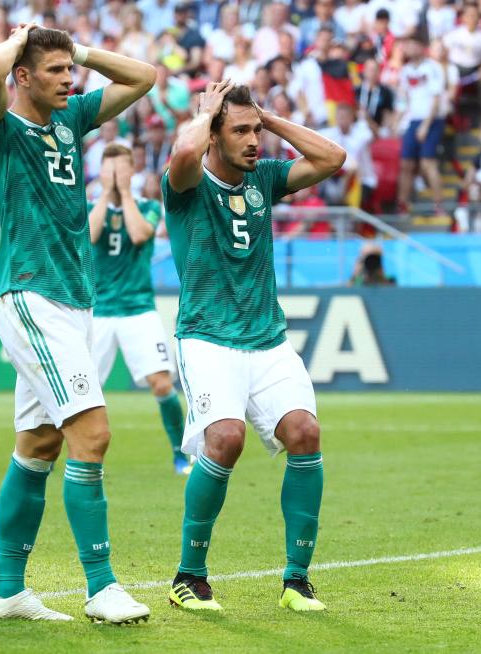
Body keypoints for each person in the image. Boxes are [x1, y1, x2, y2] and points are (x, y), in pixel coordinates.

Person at [0, 24, 155, 623]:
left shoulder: (70, 118)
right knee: (92, 434)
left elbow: (144, 78)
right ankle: (101, 587)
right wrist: (21, 35)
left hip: (75, 302)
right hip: (31, 295)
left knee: (39, 445)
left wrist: (79, 50)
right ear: (22, 76)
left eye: (69, 71)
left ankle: (6, 589)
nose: (70, 80)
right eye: (55, 71)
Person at [162, 81, 345, 613]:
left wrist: (269, 118)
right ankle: (189, 576)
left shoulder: (264, 176)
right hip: (207, 337)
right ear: (213, 136)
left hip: (267, 338)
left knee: (305, 433)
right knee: (225, 439)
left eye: (256, 130)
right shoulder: (188, 183)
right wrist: (203, 115)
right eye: (240, 130)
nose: (253, 140)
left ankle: (297, 580)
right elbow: (182, 154)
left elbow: (332, 157)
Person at [88, 144, 187, 475]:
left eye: (121, 170)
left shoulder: (147, 206)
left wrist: (125, 194)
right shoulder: (90, 206)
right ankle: (73, 456)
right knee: (83, 388)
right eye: (109, 170)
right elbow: (89, 235)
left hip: (138, 309)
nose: (115, 177)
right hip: (98, 312)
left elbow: (140, 235)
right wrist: (106, 195)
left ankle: (180, 454)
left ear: (132, 172)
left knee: (161, 383)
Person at [395, 35, 446, 211]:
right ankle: (403, 204)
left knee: (427, 162)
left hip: (432, 119)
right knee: (406, 164)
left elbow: (436, 98)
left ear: (421, 46)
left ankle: (439, 203)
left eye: (411, 44)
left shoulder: (433, 68)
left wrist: (426, 124)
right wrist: (397, 120)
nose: (408, 48)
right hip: (413, 119)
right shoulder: (406, 70)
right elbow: (403, 98)